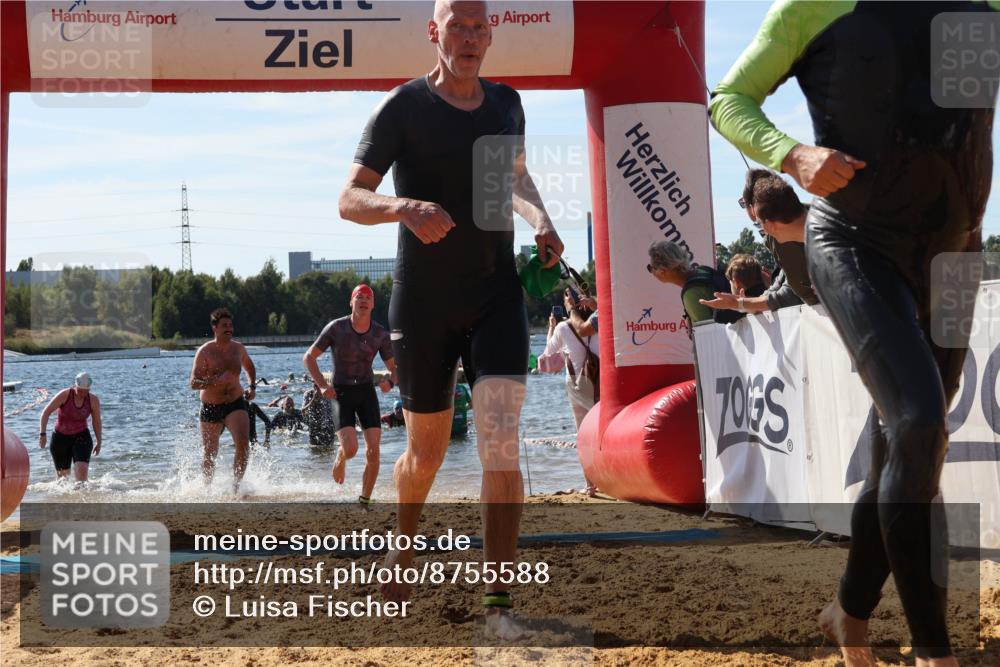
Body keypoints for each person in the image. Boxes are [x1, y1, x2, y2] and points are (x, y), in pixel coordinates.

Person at [711, 2, 997, 664]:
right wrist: (791, 153)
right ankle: (934, 650)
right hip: (856, 242)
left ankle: (848, 610)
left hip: (957, 253)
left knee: (907, 442)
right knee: (920, 421)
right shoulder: (811, 7)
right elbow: (730, 99)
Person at [338, 0, 564, 629]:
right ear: (433, 32)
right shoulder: (402, 107)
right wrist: (404, 206)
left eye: (478, 27)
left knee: (500, 443)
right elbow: (349, 198)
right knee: (425, 456)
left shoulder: (505, 104)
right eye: (456, 26)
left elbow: (511, 180)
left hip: (496, 295)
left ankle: (499, 603)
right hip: (425, 304)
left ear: (491, 35)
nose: (468, 37)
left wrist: (540, 217)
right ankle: (403, 548)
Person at [303, 284, 398, 505]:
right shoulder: (337, 328)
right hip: (340, 392)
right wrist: (322, 385)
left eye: (368, 297)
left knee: (374, 451)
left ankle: (364, 499)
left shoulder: (380, 334)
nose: (363, 301)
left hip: (366, 392)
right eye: (359, 297)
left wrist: (391, 382)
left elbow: (396, 368)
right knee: (352, 449)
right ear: (351, 302)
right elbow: (309, 357)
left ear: (373, 304)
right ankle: (342, 456)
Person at [702, 173, 816, 316]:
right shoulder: (815, 218)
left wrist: (741, 304)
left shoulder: (782, 236)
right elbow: (789, 281)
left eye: (760, 223)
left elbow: (797, 291)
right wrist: (744, 303)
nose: (764, 234)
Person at [539, 289, 599, 496]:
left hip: (577, 385)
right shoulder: (598, 322)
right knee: (602, 432)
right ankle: (610, 478)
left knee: (583, 435)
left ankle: (591, 485)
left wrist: (551, 327)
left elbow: (548, 351)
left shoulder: (563, 328)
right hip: (600, 380)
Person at [189, 308, 256, 491]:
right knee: (210, 453)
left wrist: (251, 386)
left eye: (231, 325)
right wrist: (213, 381)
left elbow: (250, 367)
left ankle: (236, 486)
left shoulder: (238, 348)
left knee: (243, 443)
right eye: (224, 325)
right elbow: (193, 383)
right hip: (211, 406)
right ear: (215, 328)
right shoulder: (205, 351)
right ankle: (207, 489)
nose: (229, 328)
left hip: (235, 402)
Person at [647, 240, 732, 328]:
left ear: (662, 270)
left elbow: (708, 335)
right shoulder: (702, 270)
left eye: (650, 268)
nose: (652, 272)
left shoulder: (691, 293)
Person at [38, 372, 102, 482]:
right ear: (75, 386)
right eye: (80, 390)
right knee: (63, 480)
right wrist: (42, 434)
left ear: (89, 389)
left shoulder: (93, 400)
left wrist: (99, 441)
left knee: (82, 475)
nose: (82, 393)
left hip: (82, 437)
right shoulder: (65, 395)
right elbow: (45, 413)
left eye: (85, 391)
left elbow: (96, 422)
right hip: (60, 438)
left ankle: (81, 497)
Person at [716, 254, 766, 323]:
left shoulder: (741, 303)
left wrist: (737, 301)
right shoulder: (770, 294)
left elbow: (718, 315)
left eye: (730, 283)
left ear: (736, 283)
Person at [302, 382, 336, 446]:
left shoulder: (328, 393)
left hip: (328, 425)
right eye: (315, 385)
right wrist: (313, 399)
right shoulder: (308, 394)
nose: (317, 387)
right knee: (314, 448)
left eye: (319, 385)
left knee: (330, 449)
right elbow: (303, 411)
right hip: (314, 426)